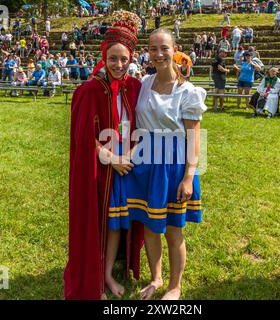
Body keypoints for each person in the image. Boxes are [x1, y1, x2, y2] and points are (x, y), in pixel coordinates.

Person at [119, 27, 206, 301]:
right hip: (145, 162)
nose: (158, 54)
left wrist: (189, 177)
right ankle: (156, 278)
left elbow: (194, 138)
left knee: (172, 228)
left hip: (173, 166)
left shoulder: (188, 91)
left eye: (164, 48)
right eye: (153, 48)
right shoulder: (144, 83)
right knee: (149, 224)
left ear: (174, 49)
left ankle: (175, 286)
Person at [64, 10, 144, 300]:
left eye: (124, 59)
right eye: (113, 58)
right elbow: (83, 141)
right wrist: (112, 159)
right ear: (103, 56)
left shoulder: (134, 87)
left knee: (119, 222)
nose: (119, 64)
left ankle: (111, 271)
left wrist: (131, 156)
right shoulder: (89, 91)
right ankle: (100, 274)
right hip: (101, 170)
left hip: (128, 168)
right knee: (102, 221)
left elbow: (145, 126)